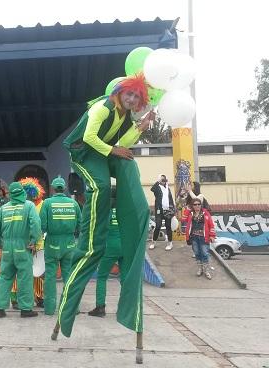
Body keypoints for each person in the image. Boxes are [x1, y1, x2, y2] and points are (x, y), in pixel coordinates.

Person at [57, 73, 156, 338]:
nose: (132, 98)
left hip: (101, 153)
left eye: (137, 96)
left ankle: (132, 208)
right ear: (120, 91)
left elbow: (123, 145)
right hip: (83, 152)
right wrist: (113, 151)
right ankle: (93, 231)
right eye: (129, 93)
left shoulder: (126, 116)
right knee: (100, 185)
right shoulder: (102, 107)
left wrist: (140, 127)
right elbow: (89, 137)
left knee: (127, 163)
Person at [0, 182, 41, 318]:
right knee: (24, 278)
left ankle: (0, 308)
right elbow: (35, 223)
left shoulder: (4, 208)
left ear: (10, 194)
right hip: (23, 247)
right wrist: (34, 240)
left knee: (5, 277)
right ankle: (25, 309)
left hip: (7, 248)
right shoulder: (29, 206)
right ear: (22, 192)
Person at [39, 176, 82, 316]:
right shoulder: (73, 204)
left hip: (52, 243)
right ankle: (72, 308)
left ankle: (50, 309)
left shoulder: (47, 203)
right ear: (64, 188)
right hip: (69, 244)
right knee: (69, 276)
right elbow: (80, 225)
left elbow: (42, 226)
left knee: (50, 277)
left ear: (52, 188)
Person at [10, 177, 46, 309]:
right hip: (30, 244)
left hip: (31, 244)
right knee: (31, 271)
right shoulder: (27, 206)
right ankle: (24, 298)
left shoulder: (40, 205)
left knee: (34, 272)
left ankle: (36, 297)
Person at [88, 187, 122, 317]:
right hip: (125, 246)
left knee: (102, 276)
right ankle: (124, 308)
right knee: (124, 278)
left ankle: (100, 307)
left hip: (110, 246)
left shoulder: (107, 211)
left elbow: (101, 229)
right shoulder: (125, 210)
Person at [182, 198, 216, 280]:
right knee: (197, 253)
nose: (197, 206)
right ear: (192, 206)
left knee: (205, 253)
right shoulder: (190, 214)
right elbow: (183, 219)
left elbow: (211, 225)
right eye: (195, 204)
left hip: (204, 237)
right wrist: (187, 209)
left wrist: (212, 235)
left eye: (198, 204)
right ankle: (200, 269)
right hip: (194, 237)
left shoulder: (206, 213)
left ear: (201, 205)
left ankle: (206, 271)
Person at [150, 174, 175, 250]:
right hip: (159, 210)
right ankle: (153, 242)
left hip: (168, 210)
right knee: (158, 226)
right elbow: (152, 189)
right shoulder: (157, 188)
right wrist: (158, 181)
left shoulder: (167, 188)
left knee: (168, 226)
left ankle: (170, 243)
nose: (164, 182)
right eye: (162, 180)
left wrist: (173, 209)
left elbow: (170, 199)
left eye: (165, 180)